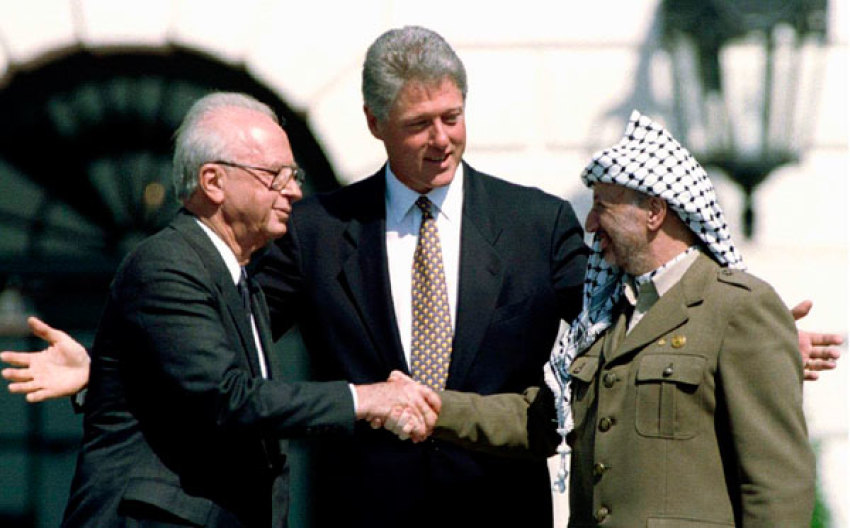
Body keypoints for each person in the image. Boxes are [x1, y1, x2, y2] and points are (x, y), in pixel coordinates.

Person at [0, 25, 841, 527]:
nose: (441, 139)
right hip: (365, 518)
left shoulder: (535, 222)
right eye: (418, 124)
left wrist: (745, 338)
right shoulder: (323, 227)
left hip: (496, 518)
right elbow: (229, 341)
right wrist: (112, 366)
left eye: (453, 117)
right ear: (374, 123)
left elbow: (619, 317)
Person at [409, 111, 818, 527]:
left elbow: (778, 490)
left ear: (654, 212)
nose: (590, 223)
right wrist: (429, 407)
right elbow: (539, 419)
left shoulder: (738, 310)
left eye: (601, 206)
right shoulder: (607, 317)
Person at [53, 92, 439, 528]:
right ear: (213, 181)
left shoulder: (242, 281)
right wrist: (365, 399)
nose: (293, 191)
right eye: (275, 175)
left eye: (294, 175)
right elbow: (228, 398)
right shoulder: (166, 264)